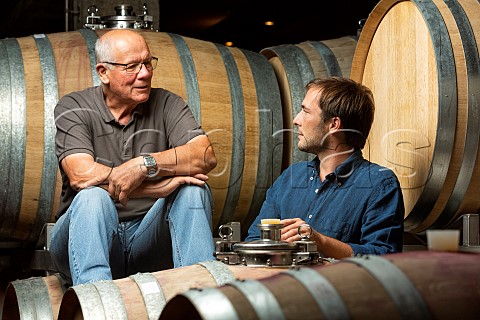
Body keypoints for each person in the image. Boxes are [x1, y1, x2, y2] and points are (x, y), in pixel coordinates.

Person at [50, 29, 217, 286]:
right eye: (131, 66)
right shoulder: (74, 106)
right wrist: (155, 189)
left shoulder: (167, 103)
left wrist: (144, 165)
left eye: (148, 63)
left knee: (194, 190)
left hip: (147, 237)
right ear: (103, 72)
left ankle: (198, 300)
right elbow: (81, 175)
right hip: (85, 237)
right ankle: (98, 305)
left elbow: (204, 155)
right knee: (92, 198)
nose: (145, 73)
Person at [245, 77, 404, 259]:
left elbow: (385, 258)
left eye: (306, 112)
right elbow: (255, 240)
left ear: (333, 124)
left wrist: (320, 242)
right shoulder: (291, 177)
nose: (296, 120)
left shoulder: (379, 184)